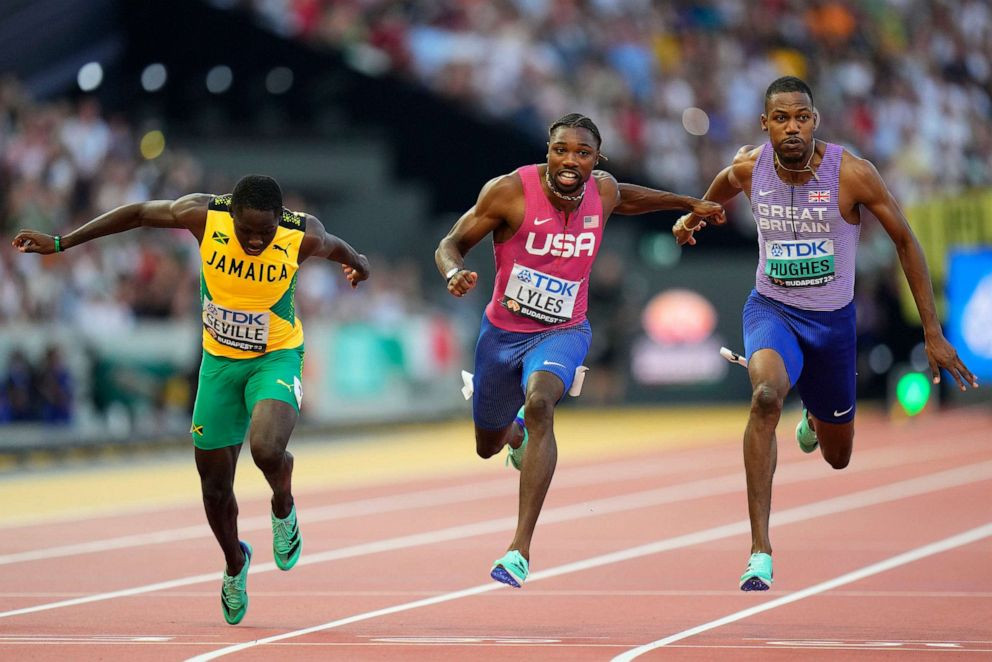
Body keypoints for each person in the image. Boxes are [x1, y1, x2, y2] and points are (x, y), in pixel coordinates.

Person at [12, 175, 370, 623]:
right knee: (215, 488)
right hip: (218, 365)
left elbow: (340, 248)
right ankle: (235, 563)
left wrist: (358, 264)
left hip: (275, 357)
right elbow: (138, 213)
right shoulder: (203, 214)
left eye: (266, 231)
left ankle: (283, 505)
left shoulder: (303, 233)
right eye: (247, 231)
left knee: (265, 449)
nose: (256, 241)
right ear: (232, 217)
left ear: (280, 220)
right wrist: (63, 242)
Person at [672, 76, 979, 591]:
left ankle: (816, 418)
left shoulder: (852, 174)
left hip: (832, 324)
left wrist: (933, 331)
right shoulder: (752, 166)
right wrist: (698, 211)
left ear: (815, 120)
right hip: (771, 309)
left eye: (802, 117)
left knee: (839, 457)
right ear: (765, 124)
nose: (793, 127)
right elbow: (726, 179)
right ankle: (760, 551)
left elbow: (905, 241)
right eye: (782, 118)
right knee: (766, 397)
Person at [435, 113, 725, 588]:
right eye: (561, 150)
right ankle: (514, 437)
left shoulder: (603, 190)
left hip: (564, 330)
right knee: (487, 444)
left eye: (582, 153)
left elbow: (629, 197)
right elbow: (451, 243)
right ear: (547, 150)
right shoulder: (508, 191)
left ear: (597, 158)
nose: (570, 160)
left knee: (541, 401)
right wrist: (452, 273)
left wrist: (689, 202)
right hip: (502, 334)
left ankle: (518, 550)